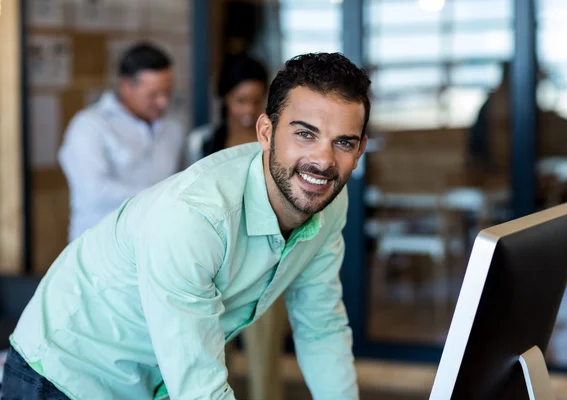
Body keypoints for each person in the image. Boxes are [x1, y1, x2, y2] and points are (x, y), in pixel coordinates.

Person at [5, 52, 371, 399]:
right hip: (63, 369)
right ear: (265, 132)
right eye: (305, 134)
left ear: (360, 149)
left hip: (151, 379)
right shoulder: (196, 218)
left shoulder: (329, 202)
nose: (323, 160)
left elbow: (320, 326)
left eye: (343, 142)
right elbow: (199, 389)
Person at [189, 53, 286, 400]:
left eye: (256, 100)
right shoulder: (201, 143)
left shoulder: (277, 145)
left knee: (265, 371)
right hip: (212, 270)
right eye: (239, 100)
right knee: (210, 366)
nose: (248, 109)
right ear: (224, 99)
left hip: (262, 268)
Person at [58, 42, 185, 242]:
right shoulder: (90, 126)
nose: (163, 102)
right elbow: (94, 193)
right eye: (153, 95)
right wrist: (166, 195)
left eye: (168, 93)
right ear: (126, 86)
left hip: (155, 246)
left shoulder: (173, 128)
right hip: (100, 251)